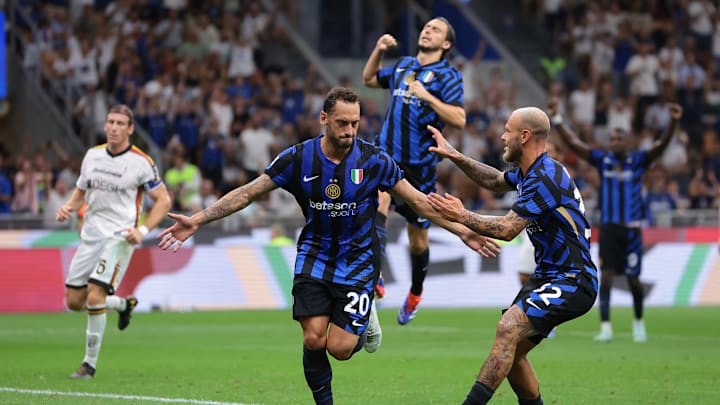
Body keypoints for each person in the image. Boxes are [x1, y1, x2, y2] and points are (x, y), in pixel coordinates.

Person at [157, 87, 499, 405]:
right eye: (342, 123)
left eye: (354, 123)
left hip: (360, 261)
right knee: (312, 339)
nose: (349, 130)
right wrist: (198, 219)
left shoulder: (374, 160)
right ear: (324, 119)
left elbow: (420, 202)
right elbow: (248, 193)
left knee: (339, 348)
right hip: (315, 256)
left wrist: (462, 230)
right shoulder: (297, 159)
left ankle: (365, 316)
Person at [425, 107, 599, 405]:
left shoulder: (546, 177)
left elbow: (507, 229)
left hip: (573, 278)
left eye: (507, 130)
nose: (502, 137)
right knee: (510, 356)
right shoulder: (532, 172)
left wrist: (461, 215)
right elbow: (494, 181)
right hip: (548, 275)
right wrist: (457, 157)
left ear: (525, 135)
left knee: (508, 328)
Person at [548, 99, 682, 343]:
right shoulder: (603, 160)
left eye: (619, 139)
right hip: (609, 229)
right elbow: (575, 144)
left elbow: (660, 146)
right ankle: (606, 327)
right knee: (606, 276)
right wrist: (557, 119)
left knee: (633, 280)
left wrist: (673, 122)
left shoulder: (638, 160)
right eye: (612, 140)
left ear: (628, 142)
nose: (614, 143)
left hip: (631, 231)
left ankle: (639, 324)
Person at [362, 17, 466, 325]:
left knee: (418, 240)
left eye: (436, 29)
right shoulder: (404, 64)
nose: (428, 30)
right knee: (378, 201)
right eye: (427, 26)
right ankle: (374, 273)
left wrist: (428, 97)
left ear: (446, 44)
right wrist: (379, 50)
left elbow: (459, 119)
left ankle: (415, 293)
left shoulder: (448, 76)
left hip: (419, 168)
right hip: (385, 156)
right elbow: (368, 80)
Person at [56, 104, 171, 379]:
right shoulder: (92, 156)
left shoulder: (142, 162)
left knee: (95, 294)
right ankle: (123, 304)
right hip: (91, 235)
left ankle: (89, 365)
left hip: (120, 237)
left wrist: (142, 231)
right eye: (110, 122)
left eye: (120, 123)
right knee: (73, 301)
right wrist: (69, 206)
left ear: (130, 129)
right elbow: (81, 190)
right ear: (105, 125)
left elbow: (164, 201)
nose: (114, 127)